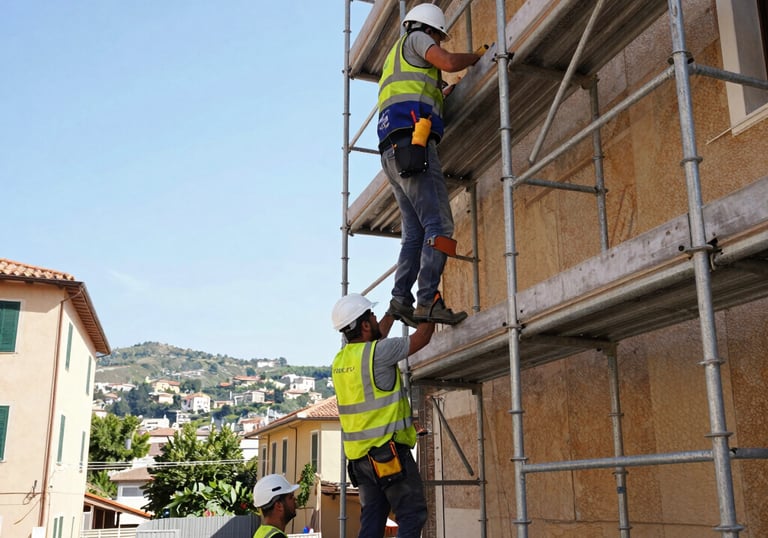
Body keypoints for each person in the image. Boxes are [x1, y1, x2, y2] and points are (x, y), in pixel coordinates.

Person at [378, 3, 481, 327]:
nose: (437, 40)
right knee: (440, 226)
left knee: (414, 232)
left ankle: (400, 301)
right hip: (415, 142)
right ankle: (427, 301)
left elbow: (427, 90)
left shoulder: (397, 58)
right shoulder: (418, 38)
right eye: (438, 35)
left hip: (392, 150)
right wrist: (476, 57)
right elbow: (448, 62)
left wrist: (443, 93)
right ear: (429, 29)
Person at [331, 293, 435, 538]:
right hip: (387, 455)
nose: (378, 319)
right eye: (373, 316)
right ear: (365, 325)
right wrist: (431, 305)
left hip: (360, 462)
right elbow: (423, 337)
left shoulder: (340, 360)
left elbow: (375, 341)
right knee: (412, 513)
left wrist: (393, 312)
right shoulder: (380, 352)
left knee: (373, 521)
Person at [252, 474, 300, 538]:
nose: (295, 499)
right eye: (290, 497)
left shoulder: (260, 533)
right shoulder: (277, 536)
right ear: (279, 505)